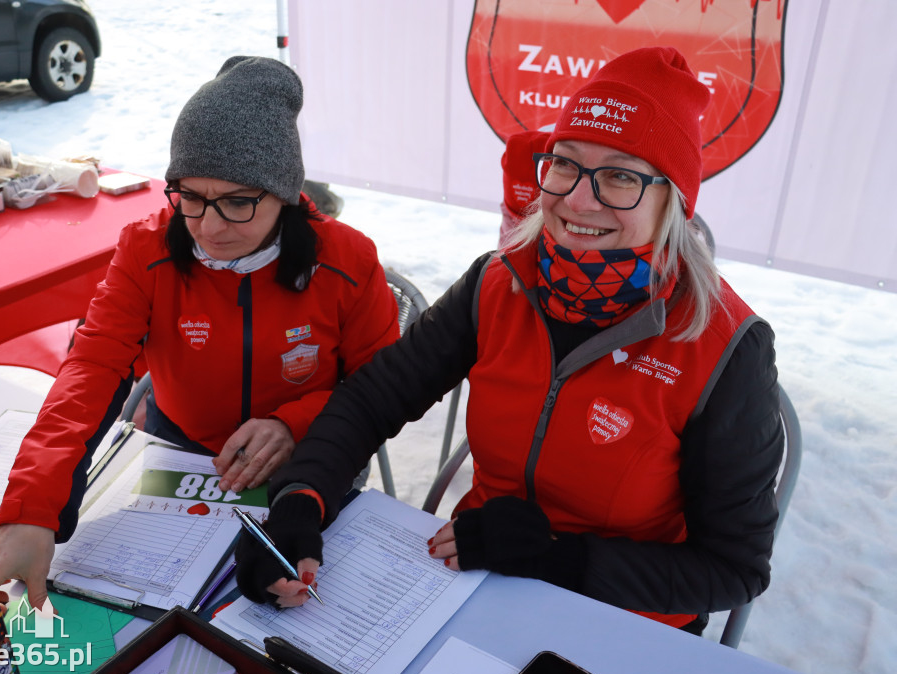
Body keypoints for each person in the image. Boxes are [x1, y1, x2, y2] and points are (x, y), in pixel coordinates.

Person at [235, 47, 785, 634]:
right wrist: (301, 499)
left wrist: (553, 557)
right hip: (476, 580)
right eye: (566, 163)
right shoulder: (497, 283)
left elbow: (732, 569)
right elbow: (375, 397)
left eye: (622, 176)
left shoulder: (726, 349)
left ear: (672, 200)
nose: (577, 199)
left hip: (627, 622)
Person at [0, 56, 399, 609]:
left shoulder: (347, 258)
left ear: (283, 193)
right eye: (190, 197)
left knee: (284, 608)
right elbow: (92, 369)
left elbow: (380, 386)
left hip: (314, 457)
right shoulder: (146, 249)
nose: (208, 227)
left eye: (236, 202)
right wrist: (30, 511)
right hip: (180, 450)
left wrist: (295, 422)